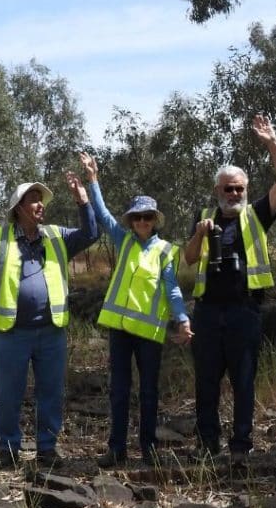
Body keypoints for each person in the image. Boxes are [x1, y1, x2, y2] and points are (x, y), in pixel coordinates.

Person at [0, 174, 98, 470]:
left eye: (41, 200)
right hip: (11, 335)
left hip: (51, 333)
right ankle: (8, 449)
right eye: (34, 200)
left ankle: (47, 449)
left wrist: (83, 201)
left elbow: (90, 234)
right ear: (18, 208)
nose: (40, 205)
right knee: (8, 394)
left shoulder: (57, 236)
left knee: (50, 392)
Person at [184, 114, 276, 464]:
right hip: (208, 311)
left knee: (244, 379)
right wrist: (201, 234)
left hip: (244, 310)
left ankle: (242, 444)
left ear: (246, 191)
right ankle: (207, 442)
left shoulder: (256, 214)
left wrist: (272, 142)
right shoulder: (205, 217)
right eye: (227, 188)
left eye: (239, 188)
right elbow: (188, 259)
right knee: (206, 381)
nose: (233, 194)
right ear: (217, 191)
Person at [79, 152, 193, 468]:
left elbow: (171, 288)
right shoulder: (124, 240)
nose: (142, 222)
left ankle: (149, 448)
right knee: (118, 391)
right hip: (120, 331)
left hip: (150, 334)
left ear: (155, 220)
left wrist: (182, 318)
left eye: (147, 217)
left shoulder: (167, 251)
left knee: (149, 393)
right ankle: (116, 449)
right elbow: (102, 214)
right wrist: (93, 178)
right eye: (137, 217)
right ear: (131, 221)